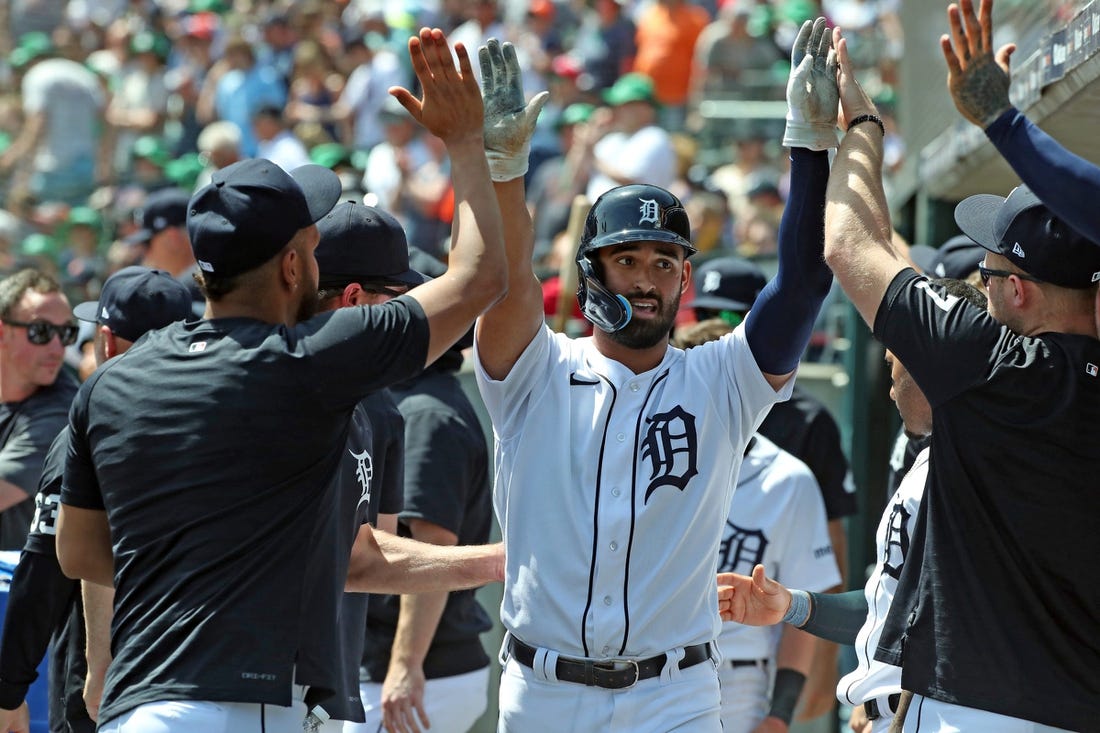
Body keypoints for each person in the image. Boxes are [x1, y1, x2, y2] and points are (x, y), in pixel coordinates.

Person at [55, 28, 508, 732]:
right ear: (293, 268)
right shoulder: (312, 361)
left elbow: (79, 551)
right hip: (247, 706)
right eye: (312, 247)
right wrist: (467, 143)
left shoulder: (109, 381)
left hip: (137, 706)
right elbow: (480, 276)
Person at [473, 22, 837, 732]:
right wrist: (501, 171)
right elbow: (505, 282)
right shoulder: (535, 370)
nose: (646, 280)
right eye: (628, 260)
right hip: (543, 688)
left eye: (663, 263)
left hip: (673, 694)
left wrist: (810, 144)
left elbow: (800, 284)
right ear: (591, 273)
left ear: (685, 279)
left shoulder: (721, 380)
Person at [822, 25, 1099, 731]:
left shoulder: (994, 368)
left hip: (977, 712)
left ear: (1023, 293)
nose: (980, 282)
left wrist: (860, 128)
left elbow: (851, 244)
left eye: (992, 272)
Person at [720, 280, 987, 733]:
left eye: (893, 366)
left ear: (928, 361)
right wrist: (791, 605)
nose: (890, 389)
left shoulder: (983, 476)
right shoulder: (930, 463)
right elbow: (887, 612)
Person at [314, 204, 494, 733]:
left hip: (417, 670)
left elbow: (431, 540)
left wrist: (404, 666)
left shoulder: (424, 413)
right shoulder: (400, 399)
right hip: (398, 665)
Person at [0, 267, 195, 733]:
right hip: (208, 677)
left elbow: (46, 569)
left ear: (105, 342)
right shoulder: (229, 426)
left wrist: (8, 689)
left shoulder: (83, 427)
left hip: (102, 687)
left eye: (68, 333)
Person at [687, 255, 857, 723]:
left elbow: (826, 551)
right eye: (702, 315)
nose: (713, 329)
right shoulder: (674, 409)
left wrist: (823, 670)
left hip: (750, 661)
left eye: (725, 317)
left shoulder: (803, 420)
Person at [304, 201, 412, 732]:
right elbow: (374, 562)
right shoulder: (377, 402)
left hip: (319, 683)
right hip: (285, 684)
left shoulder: (380, 403)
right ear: (354, 299)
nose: (404, 315)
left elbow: (372, 557)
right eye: (396, 299)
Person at [0, 270, 80, 551]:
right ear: (2, 331)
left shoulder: (63, 411)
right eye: (41, 331)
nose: (58, 348)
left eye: (66, 332)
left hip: (17, 589)